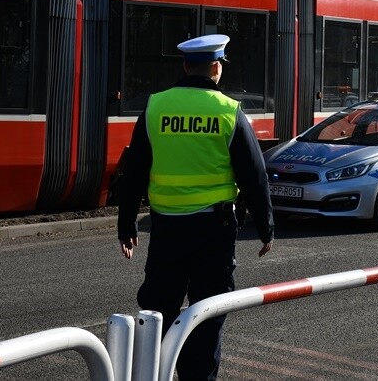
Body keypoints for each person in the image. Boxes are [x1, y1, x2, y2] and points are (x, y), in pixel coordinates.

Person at [117, 33, 275, 381]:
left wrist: (126, 226)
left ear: (186, 66)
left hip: (165, 230)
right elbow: (254, 175)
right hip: (212, 232)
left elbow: (134, 171)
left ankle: (153, 372)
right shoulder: (228, 111)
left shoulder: (155, 107)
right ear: (216, 68)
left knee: (158, 309)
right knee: (207, 311)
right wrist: (266, 227)